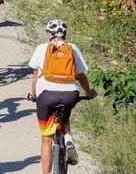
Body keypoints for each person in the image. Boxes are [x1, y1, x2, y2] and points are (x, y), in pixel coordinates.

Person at [29, 19, 97, 172]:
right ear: (65, 34)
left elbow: (34, 76)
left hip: (46, 96)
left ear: (49, 34)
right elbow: (81, 75)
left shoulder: (41, 48)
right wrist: (88, 92)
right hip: (69, 95)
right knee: (64, 116)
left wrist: (33, 95)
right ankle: (68, 139)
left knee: (46, 139)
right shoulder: (72, 48)